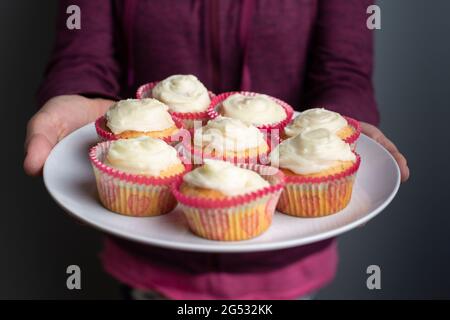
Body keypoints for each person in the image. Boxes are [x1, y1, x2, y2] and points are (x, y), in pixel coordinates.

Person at [24, 0, 409, 299]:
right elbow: (84, 53)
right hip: (150, 253)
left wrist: (337, 132)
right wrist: (81, 97)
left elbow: (342, 68)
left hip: (287, 258)